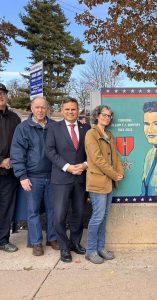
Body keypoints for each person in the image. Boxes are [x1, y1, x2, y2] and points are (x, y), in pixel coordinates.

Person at [10, 96, 59, 256]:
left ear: (47, 109)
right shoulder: (23, 128)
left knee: (53, 209)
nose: (40, 110)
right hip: (32, 177)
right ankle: (36, 242)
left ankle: (52, 238)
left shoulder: (54, 126)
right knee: (33, 211)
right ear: (31, 109)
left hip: (52, 176)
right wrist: (22, 176)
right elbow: (17, 154)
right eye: (37, 107)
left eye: (43, 107)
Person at [46, 97, 90, 263]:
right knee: (59, 216)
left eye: (73, 109)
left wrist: (85, 165)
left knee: (79, 214)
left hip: (80, 178)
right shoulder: (53, 128)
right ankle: (64, 247)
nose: (71, 112)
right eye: (67, 109)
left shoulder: (86, 127)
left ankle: (75, 243)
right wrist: (67, 167)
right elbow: (50, 152)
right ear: (62, 110)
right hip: (61, 178)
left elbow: (91, 151)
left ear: (78, 110)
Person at [84, 105, 124, 264]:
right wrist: (114, 174)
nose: (107, 118)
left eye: (109, 116)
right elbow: (97, 159)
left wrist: (120, 171)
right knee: (97, 217)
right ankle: (90, 250)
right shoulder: (91, 134)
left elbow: (115, 156)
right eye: (104, 115)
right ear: (97, 116)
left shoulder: (109, 134)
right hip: (97, 181)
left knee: (104, 217)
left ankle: (101, 248)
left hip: (109, 182)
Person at [0, 83, 21, 253]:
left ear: (7, 96)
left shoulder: (15, 118)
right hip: (1, 164)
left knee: (6, 207)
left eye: (2, 93)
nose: (0, 96)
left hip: (9, 172)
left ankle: (3, 240)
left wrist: (12, 160)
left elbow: (20, 144)